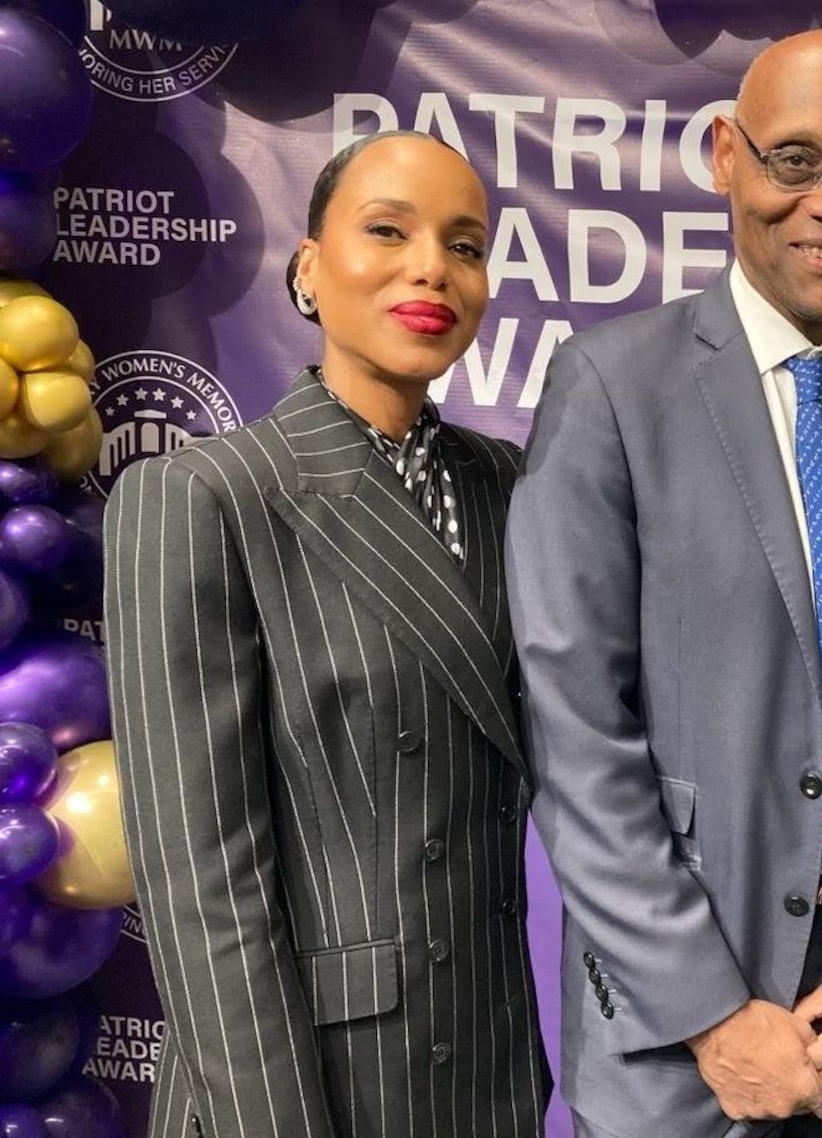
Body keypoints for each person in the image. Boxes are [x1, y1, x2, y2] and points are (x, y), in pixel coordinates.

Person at [505, 29, 822, 1138]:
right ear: (724, 156)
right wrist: (709, 1013)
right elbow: (575, 728)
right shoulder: (610, 387)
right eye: (795, 159)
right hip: (672, 1046)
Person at [105, 132, 548, 1138]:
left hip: (485, 1069)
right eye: (387, 230)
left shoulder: (514, 485)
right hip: (294, 1083)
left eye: (465, 244)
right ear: (310, 267)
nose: (431, 266)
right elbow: (199, 883)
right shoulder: (202, 498)